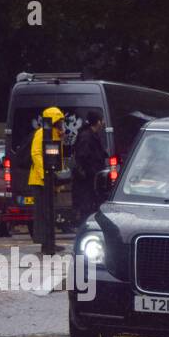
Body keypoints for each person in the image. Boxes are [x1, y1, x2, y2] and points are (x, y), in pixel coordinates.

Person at [28, 106, 66, 250]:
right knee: (43, 212)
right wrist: (46, 175)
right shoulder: (41, 133)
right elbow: (36, 154)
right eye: (60, 120)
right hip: (40, 180)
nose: (62, 123)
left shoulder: (57, 134)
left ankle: (49, 242)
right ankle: (46, 243)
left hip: (49, 179)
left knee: (50, 212)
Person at [72, 109, 108, 225]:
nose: (103, 123)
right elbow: (83, 157)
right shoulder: (86, 137)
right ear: (97, 122)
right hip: (87, 180)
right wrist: (92, 172)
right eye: (102, 120)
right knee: (87, 206)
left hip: (92, 178)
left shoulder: (92, 135)